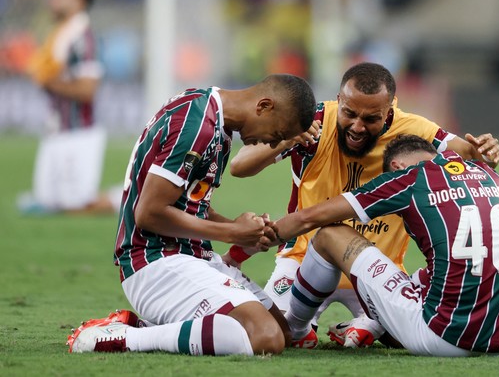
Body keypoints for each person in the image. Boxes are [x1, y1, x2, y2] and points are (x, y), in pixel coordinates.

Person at [224, 62, 499, 347]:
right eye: (349, 113)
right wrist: (288, 140)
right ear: (339, 100)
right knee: (274, 335)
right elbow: (239, 166)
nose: (357, 127)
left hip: (375, 267)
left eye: (370, 118)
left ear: (389, 110)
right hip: (302, 259)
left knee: (407, 338)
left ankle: (362, 324)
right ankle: (327, 325)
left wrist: (487, 151)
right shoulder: (313, 121)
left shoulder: (416, 130)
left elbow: (473, 157)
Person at [66, 74, 317, 356]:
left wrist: (244, 230)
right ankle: (127, 339)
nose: (272, 144)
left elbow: (191, 205)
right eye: (278, 134)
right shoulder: (197, 123)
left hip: (193, 257)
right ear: (264, 106)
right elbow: (148, 213)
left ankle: (142, 326)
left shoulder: (213, 119)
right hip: (154, 260)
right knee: (264, 338)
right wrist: (232, 232)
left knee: (282, 331)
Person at [274, 134, 499, 356]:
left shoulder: (411, 178)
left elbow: (311, 217)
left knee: (330, 235)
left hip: (445, 338)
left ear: (397, 167)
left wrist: (263, 236)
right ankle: (370, 324)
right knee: (434, 274)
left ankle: (296, 329)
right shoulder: (489, 174)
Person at [20, 0, 116, 214]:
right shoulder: (60, 35)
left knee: (77, 205)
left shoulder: (83, 37)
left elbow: (87, 90)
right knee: (47, 203)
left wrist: (47, 81)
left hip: (78, 133)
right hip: (57, 131)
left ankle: (128, 199)